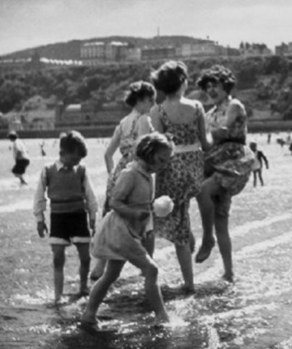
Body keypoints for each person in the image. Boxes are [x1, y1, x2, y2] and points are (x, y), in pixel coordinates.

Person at [81, 133, 174, 328]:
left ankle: (89, 314)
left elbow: (143, 205)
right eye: (161, 159)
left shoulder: (148, 176)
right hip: (121, 230)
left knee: (110, 275)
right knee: (151, 269)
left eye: (167, 161)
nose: (164, 164)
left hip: (129, 231)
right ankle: (161, 316)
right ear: (148, 154)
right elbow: (114, 201)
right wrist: (134, 213)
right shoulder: (130, 173)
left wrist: (148, 220)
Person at [149, 61, 210, 293]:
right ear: (183, 82)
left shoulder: (158, 110)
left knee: (167, 222)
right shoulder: (196, 106)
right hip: (195, 170)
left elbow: (160, 146)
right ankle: (190, 274)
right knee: (183, 216)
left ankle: (185, 283)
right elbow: (205, 143)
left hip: (171, 169)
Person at [90, 81, 156, 281]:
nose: (153, 104)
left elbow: (107, 154)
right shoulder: (144, 119)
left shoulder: (123, 122)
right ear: (142, 100)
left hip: (120, 171)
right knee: (146, 221)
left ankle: (100, 266)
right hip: (137, 172)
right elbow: (148, 149)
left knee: (114, 219)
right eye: (151, 100)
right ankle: (147, 266)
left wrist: (113, 176)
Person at [195, 65, 255, 281]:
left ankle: (207, 238)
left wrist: (205, 134)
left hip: (233, 161)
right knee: (221, 217)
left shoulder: (234, 105)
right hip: (212, 162)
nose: (211, 90)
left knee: (203, 192)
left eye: (215, 85)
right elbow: (208, 140)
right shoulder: (209, 112)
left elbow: (223, 131)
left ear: (226, 85)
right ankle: (229, 272)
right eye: (208, 86)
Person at [33, 131, 98, 304]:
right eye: (74, 159)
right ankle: (58, 295)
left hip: (78, 216)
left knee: (85, 257)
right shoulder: (48, 170)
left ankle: (83, 287)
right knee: (58, 258)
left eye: (79, 160)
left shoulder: (82, 171)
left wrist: (92, 217)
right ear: (62, 153)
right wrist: (40, 219)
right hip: (58, 219)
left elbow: (90, 195)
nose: (77, 163)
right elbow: (39, 195)